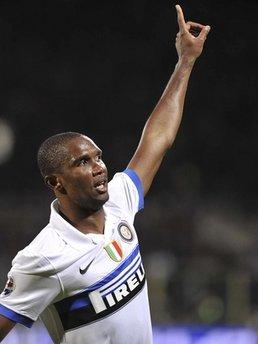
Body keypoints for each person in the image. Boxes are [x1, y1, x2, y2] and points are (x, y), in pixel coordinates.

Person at [0, 4, 210, 344]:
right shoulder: (43, 256)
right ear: (56, 183)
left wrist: (185, 61)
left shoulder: (119, 202)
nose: (99, 167)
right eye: (82, 162)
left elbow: (157, 139)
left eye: (98, 157)